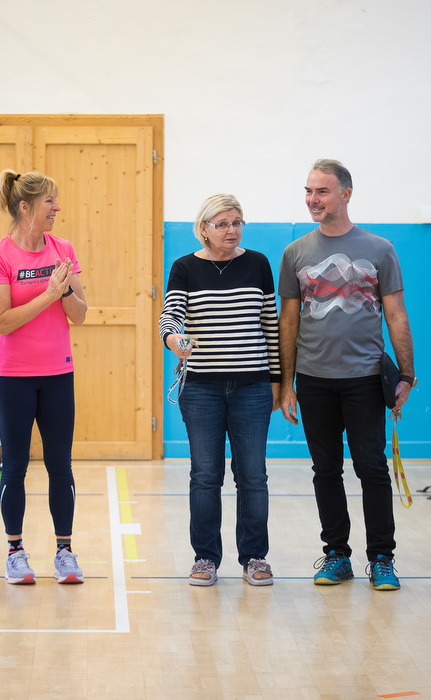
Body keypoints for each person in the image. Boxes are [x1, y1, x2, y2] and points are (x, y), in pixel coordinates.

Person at [278, 159, 415, 591]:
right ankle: (337, 555)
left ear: (346, 194)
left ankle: (382, 558)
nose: (312, 199)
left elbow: (396, 315)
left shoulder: (380, 249)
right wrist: (287, 384)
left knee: (371, 468)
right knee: (325, 470)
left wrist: (407, 375)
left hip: (365, 379)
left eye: (321, 191)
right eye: (308, 191)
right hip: (313, 381)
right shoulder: (295, 253)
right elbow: (288, 321)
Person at [159, 194, 280, 587]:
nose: (232, 230)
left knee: (253, 476)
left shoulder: (258, 264)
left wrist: (278, 383)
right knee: (205, 475)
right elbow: (170, 317)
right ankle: (205, 557)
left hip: (253, 388)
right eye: (223, 224)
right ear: (204, 229)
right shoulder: (185, 267)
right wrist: (174, 340)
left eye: (237, 222)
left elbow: (271, 326)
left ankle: (255, 556)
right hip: (202, 390)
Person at [0, 169, 87, 585]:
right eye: (49, 201)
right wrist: (48, 293)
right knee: (15, 465)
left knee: (60, 464)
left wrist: (64, 291)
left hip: (59, 373)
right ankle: (15, 553)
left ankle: (65, 552)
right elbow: (3, 323)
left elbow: (79, 315)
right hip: (14, 377)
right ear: (25, 207)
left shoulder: (63, 250)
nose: (57, 208)